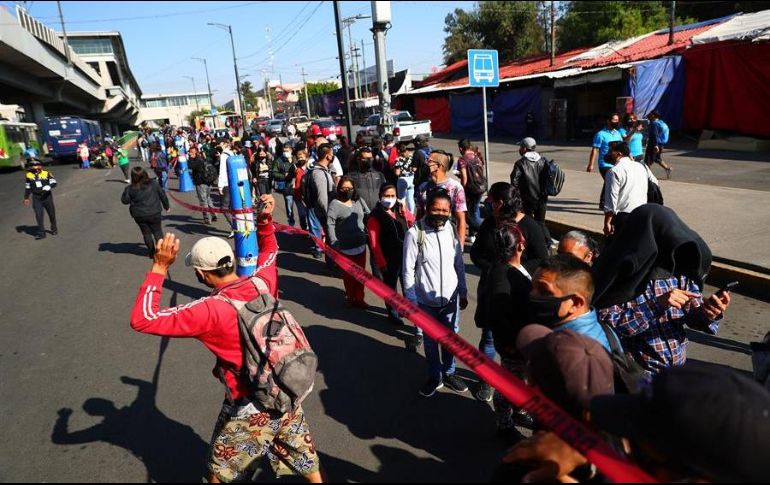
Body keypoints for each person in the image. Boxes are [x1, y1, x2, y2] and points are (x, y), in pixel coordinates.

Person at [129, 198, 324, 483]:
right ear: (230, 260)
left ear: (201, 274)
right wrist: (265, 221)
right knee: (306, 462)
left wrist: (159, 268)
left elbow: (143, 318)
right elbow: (270, 251)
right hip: (285, 391)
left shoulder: (209, 310)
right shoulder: (262, 282)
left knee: (219, 473)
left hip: (249, 406)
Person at [593, 204, 731, 375]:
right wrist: (656, 305)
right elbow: (609, 325)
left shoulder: (677, 273)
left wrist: (710, 312)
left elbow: (693, 316)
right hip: (636, 375)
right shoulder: (619, 274)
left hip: (675, 373)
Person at [470, 182, 549, 402]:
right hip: (492, 289)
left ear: (500, 203)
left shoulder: (530, 226)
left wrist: (513, 271)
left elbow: (542, 259)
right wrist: (496, 270)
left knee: (516, 348)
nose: (487, 204)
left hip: (520, 295)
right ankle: (486, 379)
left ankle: (516, 395)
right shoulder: (489, 223)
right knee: (488, 338)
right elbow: (476, 254)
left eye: (490, 201)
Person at [403, 189, 469, 396]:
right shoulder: (415, 234)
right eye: (436, 209)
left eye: (445, 210)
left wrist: (463, 291)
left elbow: (458, 263)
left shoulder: (451, 228)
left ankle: (449, 372)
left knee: (450, 341)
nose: (440, 214)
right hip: (425, 303)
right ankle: (434, 376)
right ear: (427, 208)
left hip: (450, 300)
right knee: (431, 344)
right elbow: (407, 270)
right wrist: (412, 302)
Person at [484, 223, 535, 439]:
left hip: (522, 341)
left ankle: (519, 411)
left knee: (520, 381)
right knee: (507, 386)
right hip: (513, 345)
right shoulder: (502, 276)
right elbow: (499, 315)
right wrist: (511, 344)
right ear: (520, 245)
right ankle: (504, 425)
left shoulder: (513, 268)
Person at [529, 254, 618, 352]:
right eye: (533, 287)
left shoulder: (572, 352)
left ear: (576, 303)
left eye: (544, 291)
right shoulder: (601, 329)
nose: (532, 294)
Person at [367, 184, 415, 325]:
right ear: (380, 196)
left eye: (392, 196)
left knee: (408, 285)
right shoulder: (375, 216)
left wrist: (405, 211)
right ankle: (393, 313)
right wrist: (381, 263)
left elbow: (413, 222)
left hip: (404, 256)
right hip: (388, 258)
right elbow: (374, 243)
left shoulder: (399, 210)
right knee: (390, 288)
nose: (390, 199)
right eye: (386, 196)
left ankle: (408, 309)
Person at [327, 176, 370, 308]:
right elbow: (330, 224)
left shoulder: (358, 201)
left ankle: (360, 298)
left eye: (350, 188)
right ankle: (350, 297)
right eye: (344, 188)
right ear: (339, 189)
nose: (347, 191)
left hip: (361, 245)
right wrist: (334, 242)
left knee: (361, 275)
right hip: (345, 247)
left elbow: (368, 213)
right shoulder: (334, 204)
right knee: (349, 276)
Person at [602, 141, 657, 236]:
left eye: (610, 152)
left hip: (624, 217)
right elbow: (655, 183)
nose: (608, 154)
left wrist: (607, 223)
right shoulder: (641, 166)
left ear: (619, 154)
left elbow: (611, 200)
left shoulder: (614, 172)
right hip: (642, 214)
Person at [415, 150, 467, 249]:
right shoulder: (423, 187)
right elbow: (419, 215)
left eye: (429, 161)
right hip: (426, 240)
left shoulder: (455, 188)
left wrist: (460, 248)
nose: (425, 163)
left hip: (447, 240)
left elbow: (461, 220)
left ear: (438, 166)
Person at [121, 167, 170, 258]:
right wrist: (166, 206)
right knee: (157, 231)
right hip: (154, 212)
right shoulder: (153, 183)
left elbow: (125, 201)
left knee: (146, 233)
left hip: (139, 215)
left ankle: (151, 252)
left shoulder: (130, 188)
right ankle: (160, 251)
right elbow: (162, 195)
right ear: (145, 174)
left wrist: (125, 192)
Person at [586, 112, 623, 209]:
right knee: (609, 181)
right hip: (605, 163)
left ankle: (605, 202)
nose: (616, 122)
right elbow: (595, 149)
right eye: (614, 120)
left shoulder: (618, 133)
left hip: (616, 163)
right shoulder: (600, 134)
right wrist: (591, 164)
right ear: (608, 121)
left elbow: (621, 147)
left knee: (610, 182)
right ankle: (603, 203)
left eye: (617, 120)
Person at [307, 144, 336, 260]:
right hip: (325, 212)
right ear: (328, 156)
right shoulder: (319, 173)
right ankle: (331, 262)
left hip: (327, 210)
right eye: (332, 154)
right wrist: (329, 215)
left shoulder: (324, 170)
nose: (333, 156)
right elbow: (322, 198)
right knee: (330, 239)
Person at [510, 137, 548, 227]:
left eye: (520, 147)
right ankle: (543, 236)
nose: (519, 149)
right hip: (542, 198)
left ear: (524, 148)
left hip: (526, 199)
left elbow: (514, 181)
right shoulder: (543, 161)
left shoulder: (520, 163)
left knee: (527, 223)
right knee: (541, 223)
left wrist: (516, 197)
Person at [457, 139, 485, 245]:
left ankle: (483, 230)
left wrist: (461, 190)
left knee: (466, 214)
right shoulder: (477, 156)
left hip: (471, 189)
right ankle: (472, 235)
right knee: (475, 210)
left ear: (461, 148)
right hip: (481, 187)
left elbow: (464, 178)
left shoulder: (462, 159)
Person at [23, 159, 58, 240]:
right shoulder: (28, 175)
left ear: (40, 166)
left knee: (51, 214)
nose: (34, 167)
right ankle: (41, 233)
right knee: (38, 215)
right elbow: (28, 187)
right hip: (36, 198)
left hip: (47, 197)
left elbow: (54, 182)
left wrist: (49, 186)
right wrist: (26, 198)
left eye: (36, 165)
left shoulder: (46, 173)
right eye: (32, 165)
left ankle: (54, 228)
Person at [348, 147, 386, 218]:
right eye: (365, 158)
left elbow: (385, 192)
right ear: (358, 160)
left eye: (370, 158)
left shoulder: (379, 175)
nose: (368, 161)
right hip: (359, 215)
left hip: (377, 214)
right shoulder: (351, 177)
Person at [187, 145, 218, 225]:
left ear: (196, 152)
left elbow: (190, 166)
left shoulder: (197, 160)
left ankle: (207, 218)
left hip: (201, 183)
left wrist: (190, 158)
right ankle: (214, 214)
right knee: (208, 198)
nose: (190, 154)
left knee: (203, 201)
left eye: (191, 152)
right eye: (189, 152)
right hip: (208, 181)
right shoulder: (202, 159)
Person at [272, 144, 297, 227]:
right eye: (284, 151)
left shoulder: (295, 159)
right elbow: (274, 173)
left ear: (291, 150)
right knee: (289, 204)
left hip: (298, 185)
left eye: (287, 151)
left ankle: (304, 223)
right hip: (287, 186)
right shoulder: (278, 161)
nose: (285, 152)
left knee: (301, 207)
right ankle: (291, 222)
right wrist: (283, 176)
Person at [644, 110, 672, 178]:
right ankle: (667, 168)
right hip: (660, 145)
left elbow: (655, 135)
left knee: (648, 161)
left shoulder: (654, 123)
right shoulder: (661, 122)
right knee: (657, 158)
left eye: (650, 114)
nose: (648, 115)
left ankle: (649, 177)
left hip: (654, 145)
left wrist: (655, 145)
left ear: (653, 115)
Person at [217, 141, 236, 238]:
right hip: (235, 183)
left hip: (226, 184)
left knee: (224, 208)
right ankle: (237, 226)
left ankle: (234, 227)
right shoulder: (232, 153)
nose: (219, 145)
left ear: (224, 144)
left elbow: (222, 171)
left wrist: (220, 186)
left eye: (220, 143)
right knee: (234, 207)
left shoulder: (224, 155)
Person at [394, 142, 417, 213]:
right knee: (411, 198)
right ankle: (412, 214)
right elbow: (415, 168)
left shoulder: (398, 160)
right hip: (411, 178)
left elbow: (397, 173)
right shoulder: (412, 157)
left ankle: (403, 214)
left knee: (402, 199)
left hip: (402, 179)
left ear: (398, 150)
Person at [293, 150, 310, 231]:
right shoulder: (296, 169)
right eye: (298, 158)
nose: (300, 159)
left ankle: (311, 231)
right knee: (302, 215)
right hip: (298, 196)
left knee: (310, 215)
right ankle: (304, 230)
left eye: (302, 157)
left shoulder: (310, 169)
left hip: (308, 196)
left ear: (306, 158)